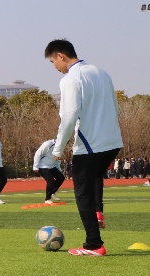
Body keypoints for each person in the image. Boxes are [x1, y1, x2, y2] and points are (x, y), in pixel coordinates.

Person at [45, 39, 123, 255]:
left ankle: (93, 245)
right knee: (95, 176)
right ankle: (97, 211)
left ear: (61, 56)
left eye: (53, 62)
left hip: (90, 145)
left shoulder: (71, 79)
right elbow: (115, 106)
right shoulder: (101, 72)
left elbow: (69, 116)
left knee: (82, 192)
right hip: (113, 142)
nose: (55, 67)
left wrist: (58, 149)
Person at [33, 138, 65, 203]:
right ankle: (47, 199)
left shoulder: (60, 147)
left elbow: (57, 159)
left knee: (61, 178)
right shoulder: (48, 144)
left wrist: (58, 169)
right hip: (42, 166)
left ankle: (53, 192)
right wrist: (35, 166)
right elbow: (38, 153)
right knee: (51, 182)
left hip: (52, 166)